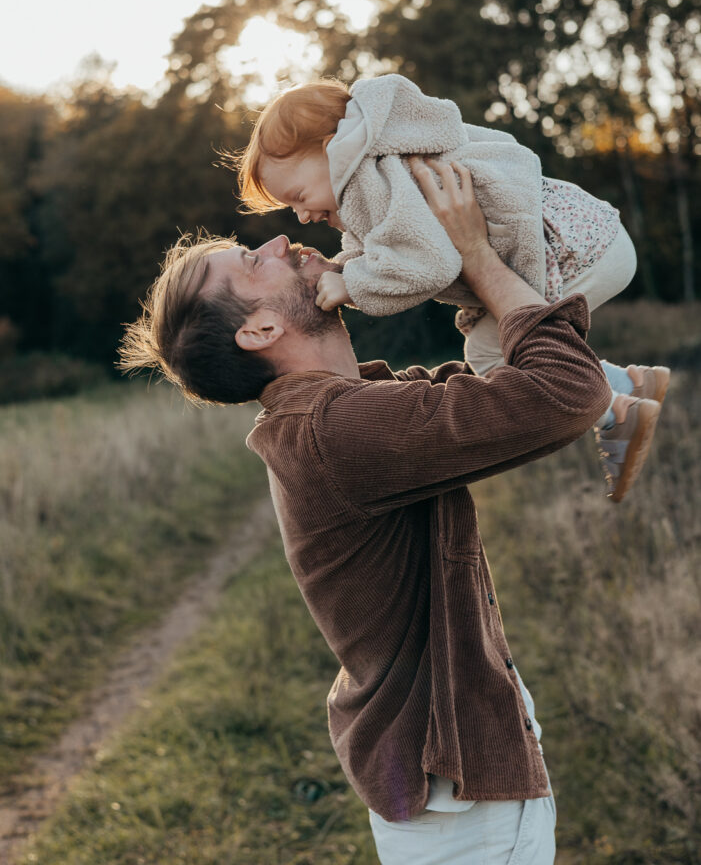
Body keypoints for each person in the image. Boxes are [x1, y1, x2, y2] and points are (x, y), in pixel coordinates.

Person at [120, 159, 656, 863]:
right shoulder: (336, 430)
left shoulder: (335, 416)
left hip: (439, 773)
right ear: (258, 331)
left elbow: (498, 392)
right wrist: (473, 253)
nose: (281, 241)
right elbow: (560, 394)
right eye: (253, 260)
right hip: (459, 789)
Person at [226, 74, 670, 502]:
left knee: (493, 356)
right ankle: (628, 382)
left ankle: (619, 413)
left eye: (299, 196)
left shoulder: (369, 180)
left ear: (331, 151)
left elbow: (429, 263)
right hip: (594, 234)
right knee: (486, 349)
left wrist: (352, 285)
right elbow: (390, 247)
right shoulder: (379, 169)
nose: (301, 216)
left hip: (577, 251)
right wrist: (342, 268)